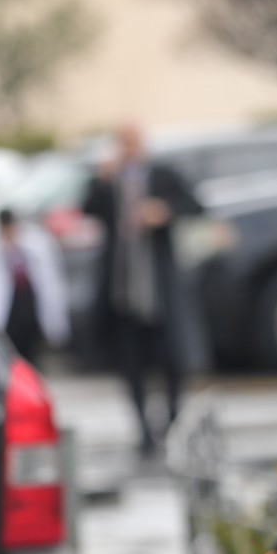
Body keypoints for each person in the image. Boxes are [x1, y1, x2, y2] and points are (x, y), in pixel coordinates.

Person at [82, 120, 204, 455]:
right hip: (123, 291)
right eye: (123, 142)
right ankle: (143, 431)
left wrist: (164, 211)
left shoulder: (162, 176)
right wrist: (100, 179)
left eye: (133, 141)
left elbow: (196, 205)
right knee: (131, 364)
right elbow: (86, 208)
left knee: (171, 358)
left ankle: (173, 420)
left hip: (158, 290)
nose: (129, 149)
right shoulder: (110, 180)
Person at [0, 207, 70, 370]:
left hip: (29, 302)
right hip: (10, 309)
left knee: (31, 345)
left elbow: (49, 276)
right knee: (13, 348)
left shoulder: (34, 244)